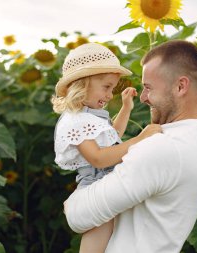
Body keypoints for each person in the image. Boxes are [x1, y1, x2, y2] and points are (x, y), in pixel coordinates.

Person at [64, 40, 197, 253]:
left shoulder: (163, 148)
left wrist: (70, 204)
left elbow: (78, 216)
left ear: (181, 86)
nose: (143, 97)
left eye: (148, 88)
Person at [52, 42, 162, 253]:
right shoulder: (75, 120)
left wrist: (126, 108)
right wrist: (140, 139)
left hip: (104, 181)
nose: (110, 94)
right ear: (82, 84)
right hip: (94, 184)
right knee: (98, 237)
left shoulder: (87, 116)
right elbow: (99, 159)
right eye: (106, 87)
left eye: (112, 88)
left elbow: (112, 137)